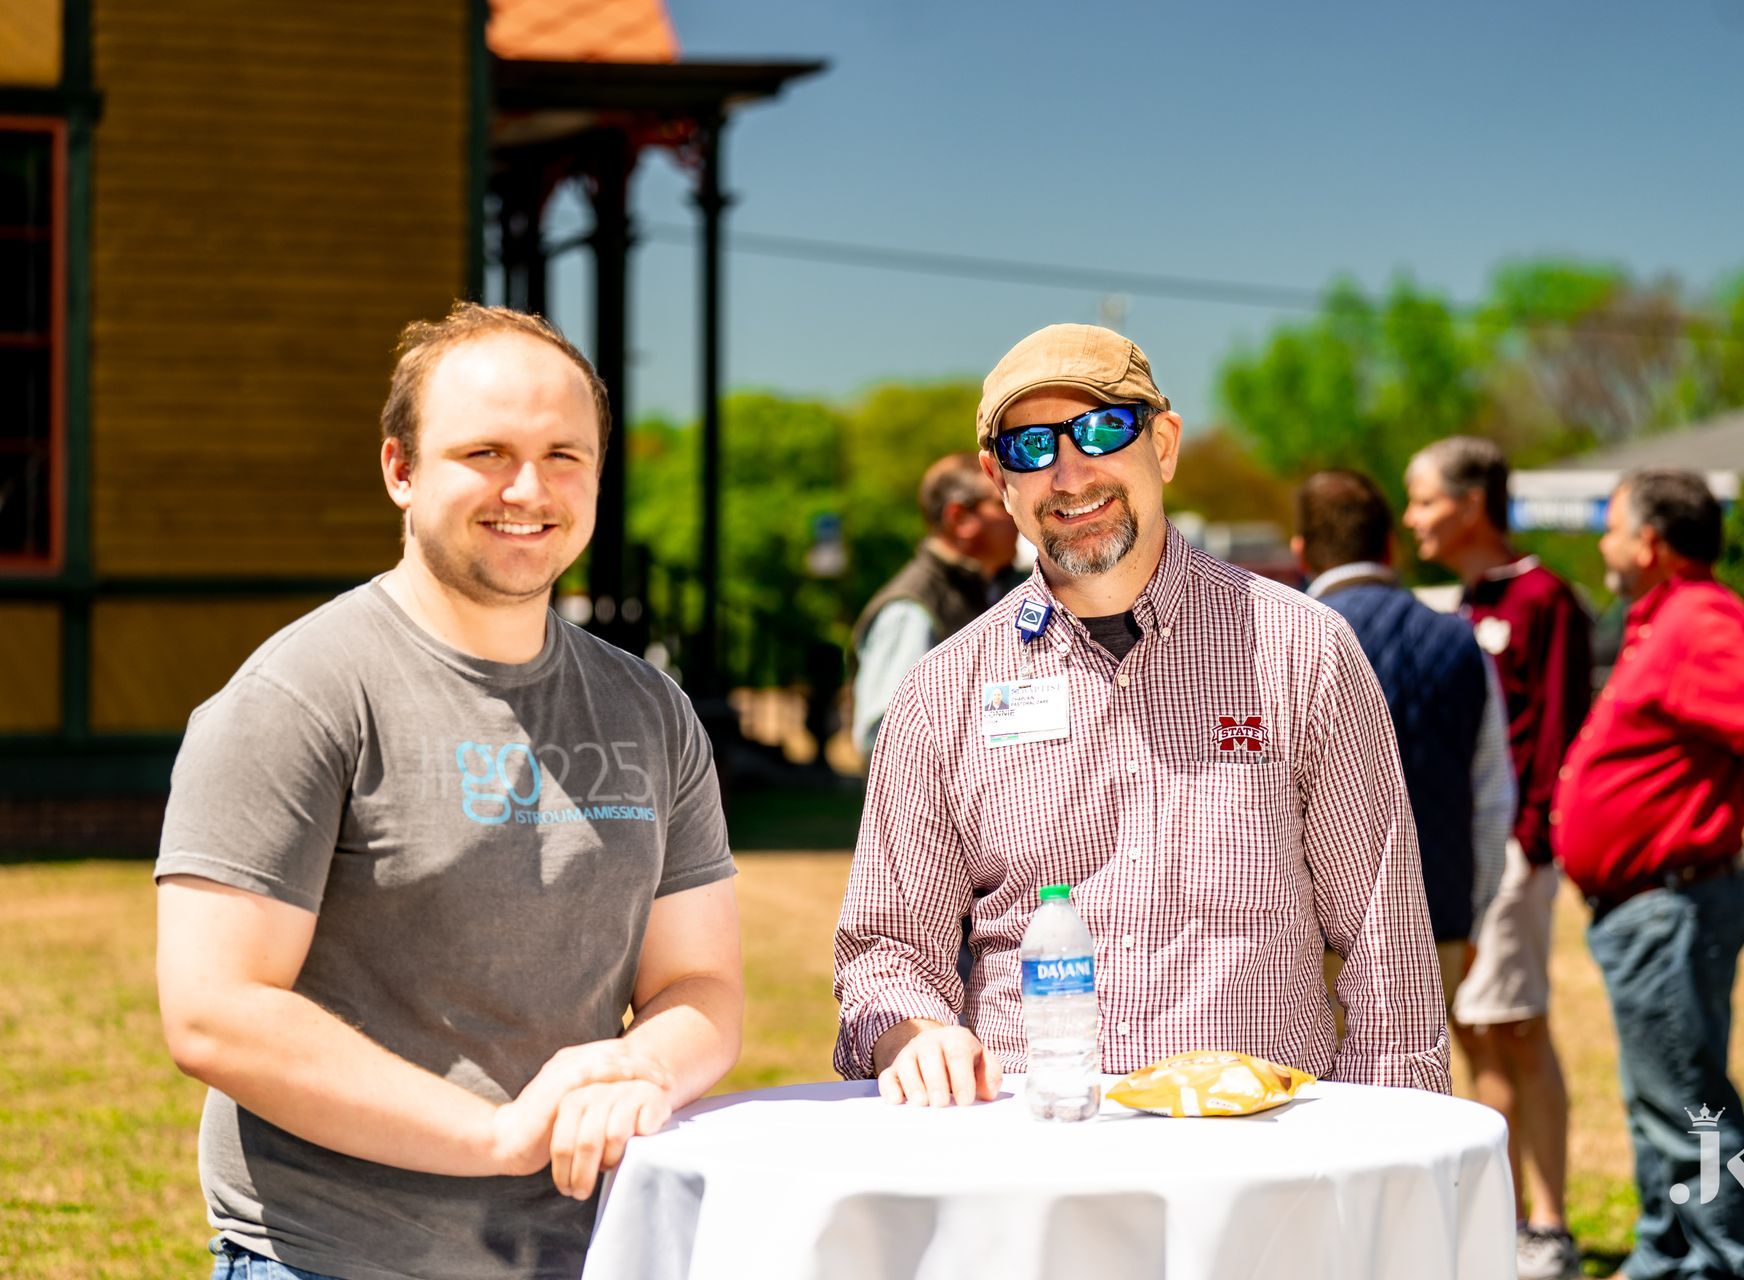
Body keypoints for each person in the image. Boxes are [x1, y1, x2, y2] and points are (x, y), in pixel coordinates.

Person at [153, 303, 742, 1280]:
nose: (528, 487)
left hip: (590, 1249)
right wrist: (495, 1135)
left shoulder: (651, 710)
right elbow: (215, 1009)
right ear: (401, 469)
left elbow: (701, 986)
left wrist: (644, 1067)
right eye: (485, 451)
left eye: (565, 455)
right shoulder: (299, 695)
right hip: (331, 1257)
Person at [833, 323, 1449, 1107]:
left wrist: (1391, 1159)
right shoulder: (942, 690)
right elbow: (885, 947)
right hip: (1032, 1153)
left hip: (1253, 1156)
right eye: (1031, 448)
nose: (1069, 472)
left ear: (1163, 443)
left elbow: (1382, 944)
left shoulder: (1304, 651)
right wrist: (913, 1035)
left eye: (1100, 429)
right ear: (998, 480)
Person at [1557, 470, 1744, 1280]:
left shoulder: (1696, 620)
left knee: (1694, 1105)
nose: (1603, 544)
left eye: (1612, 526)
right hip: (1653, 903)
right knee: (1663, 1097)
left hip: (1672, 900)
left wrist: (1732, 801)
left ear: (1652, 543)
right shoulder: (1666, 619)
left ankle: (1728, 1262)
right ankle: (1666, 1250)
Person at [1405, 435, 1589, 1280]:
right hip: (1472, 855)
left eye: (1425, 500)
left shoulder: (1545, 599)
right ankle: (1503, 1217)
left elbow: (1554, 727)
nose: (1413, 519)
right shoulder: (1461, 608)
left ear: (1472, 503)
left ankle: (1547, 1223)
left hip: (1517, 852)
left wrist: (1532, 841)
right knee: (1476, 1030)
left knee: (1515, 1025)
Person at [1293, 469, 1513, 1010]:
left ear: (1302, 553)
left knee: (1318, 1094)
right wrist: (1474, 911)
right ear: (1390, 546)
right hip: (1437, 918)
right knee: (1419, 1090)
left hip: (1306, 940)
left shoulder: (1276, 642)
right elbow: (1491, 794)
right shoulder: (1461, 640)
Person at [849, 452, 1020, 755]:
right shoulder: (909, 610)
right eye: (1000, 502)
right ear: (960, 518)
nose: (1016, 509)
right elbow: (883, 738)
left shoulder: (1001, 587)